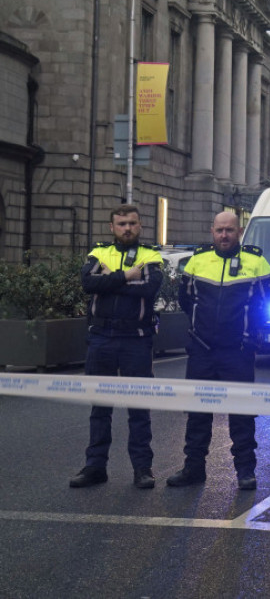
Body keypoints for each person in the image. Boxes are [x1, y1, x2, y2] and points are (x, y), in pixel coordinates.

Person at [167, 212, 270, 490]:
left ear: (239, 231)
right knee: (197, 413)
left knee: (241, 413)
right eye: (219, 230)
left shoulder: (256, 262)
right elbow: (186, 298)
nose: (224, 235)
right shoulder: (198, 260)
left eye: (229, 230)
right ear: (211, 231)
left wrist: (251, 336)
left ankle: (245, 472)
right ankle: (193, 469)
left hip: (237, 352)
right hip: (202, 350)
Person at [70, 204, 164, 489]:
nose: (127, 228)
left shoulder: (151, 255)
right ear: (112, 227)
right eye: (121, 224)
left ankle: (142, 469)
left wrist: (108, 281)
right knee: (100, 407)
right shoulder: (99, 253)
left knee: (138, 407)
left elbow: (148, 289)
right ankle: (95, 467)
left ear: (140, 226)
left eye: (132, 223)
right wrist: (126, 276)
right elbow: (88, 283)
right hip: (101, 338)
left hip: (136, 339)